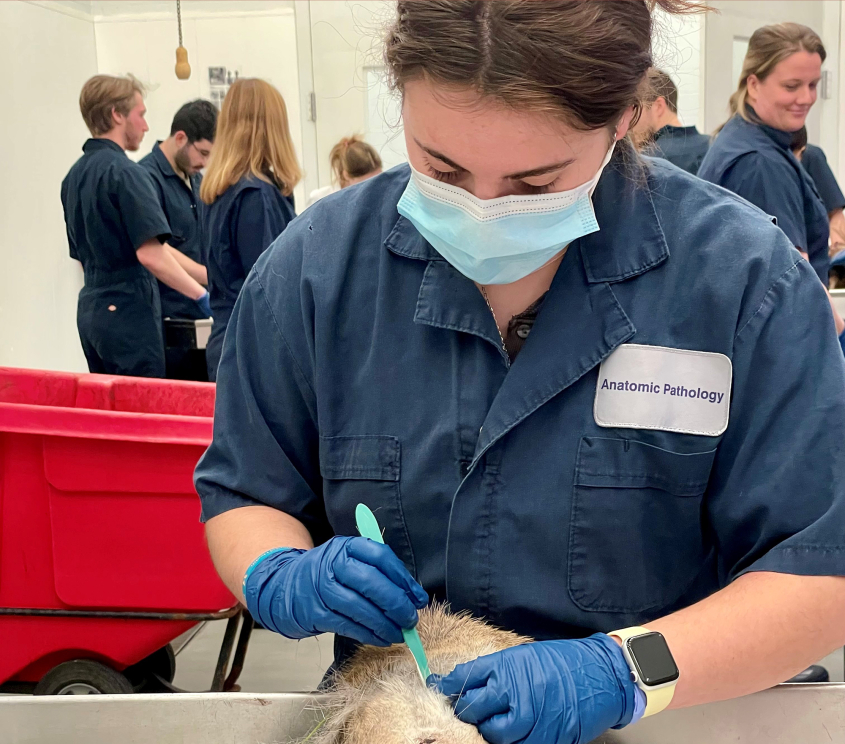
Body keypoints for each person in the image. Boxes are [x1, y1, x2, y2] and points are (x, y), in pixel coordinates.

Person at [196, 3, 845, 744]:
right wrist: (279, 569)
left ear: (626, 115)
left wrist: (622, 673)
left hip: (665, 719)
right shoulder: (318, 271)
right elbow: (246, 488)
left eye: (535, 184)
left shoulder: (740, 284)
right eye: (441, 168)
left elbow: (817, 575)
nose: (481, 209)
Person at [62, 75, 211, 378]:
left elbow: (80, 257)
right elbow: (151, 254)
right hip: (130, 314)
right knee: (145, 411)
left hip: (92, 313)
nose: (145, 126)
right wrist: (201, 295)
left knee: (110, 412)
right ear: (117, 115)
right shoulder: (128, 174)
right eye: (140, 115)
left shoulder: (73, 177)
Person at [698, 24, 830, 285]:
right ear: (754, 84)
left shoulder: (740, 137)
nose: (806, 98)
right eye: (792, 86)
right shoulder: (760, 164)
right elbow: (794, 285)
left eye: (813, 84)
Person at [200, 78, 301, 381]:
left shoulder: (215, 191)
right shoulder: (255, 196)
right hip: (255, 351)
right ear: (273, 126)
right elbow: (270, 290)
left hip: (226, 340)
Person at [140, 99, 218, 381]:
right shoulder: (145, 179)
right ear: (181, 137)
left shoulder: (196, 179)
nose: (205, 163)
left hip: (200, 317)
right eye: (203, 153)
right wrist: (207, 278)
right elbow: (158, 249)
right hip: (169, 316)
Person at [632, 68, 710, 174]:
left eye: (635, 109)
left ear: (658, 106)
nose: (629, 123)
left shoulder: (646, 162)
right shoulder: (713, 147)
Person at [307, 135, 383, 208]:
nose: (375, 187)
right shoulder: (320, 201)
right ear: (346, 175)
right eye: (366, 183)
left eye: (379, 179)